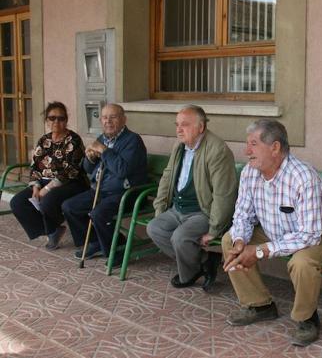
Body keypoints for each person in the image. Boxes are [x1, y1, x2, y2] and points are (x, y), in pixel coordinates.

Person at [221, 119, 322, 347]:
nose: (247, 151)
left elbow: (309, 235)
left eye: (253, 144)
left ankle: (307, 318)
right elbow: (243, 215)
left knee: (302, 262)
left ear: (275, 148)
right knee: (229, 240)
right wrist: (240, 241)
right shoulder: (250, 172)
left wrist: (258, 251)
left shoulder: (304, 178)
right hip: (275, 228)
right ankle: (260, 306)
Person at [147, 105, 237, 289]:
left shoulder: (217, 150)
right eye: (177, 124)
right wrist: (160, 207)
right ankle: (204, 261)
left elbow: (224, 194)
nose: (179, 129)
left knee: (179, 238)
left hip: (202, 211)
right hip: (177, 208)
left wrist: (214, 229)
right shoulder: (180, 145)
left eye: (185, 125)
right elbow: (167, 176)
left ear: (201, 127)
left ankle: (188, 274)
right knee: (154, 228)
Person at [62, 103, 147, 264]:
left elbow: (122, 170)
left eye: (113, 117)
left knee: (98, 213)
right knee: (69, 207)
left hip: (126, 193)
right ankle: (96, 242)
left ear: (123, 119)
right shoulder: (103, 139)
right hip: (101, 191)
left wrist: (104, 151)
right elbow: (87, 169)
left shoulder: (133, 140)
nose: (108, 121)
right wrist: (90, 158)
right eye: (104, 117)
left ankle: (115, 252)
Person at [10, 101, 89, 250]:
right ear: (46, 120)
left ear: (66, 120)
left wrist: (47, 189)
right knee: (17, 202)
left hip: (71, 183)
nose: (56, 121)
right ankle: (52, 230)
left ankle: (53, 228)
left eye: (61, 118)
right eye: (52, 118)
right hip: (44, 182)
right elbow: (35, 166)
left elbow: (71, 170)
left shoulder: (73, 140)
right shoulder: (44, 140)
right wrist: (35, 187)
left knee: (47, 200)